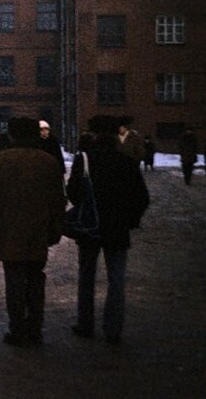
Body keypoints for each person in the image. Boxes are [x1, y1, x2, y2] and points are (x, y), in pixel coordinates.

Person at [0, 117, 66, 347]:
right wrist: (55, 230)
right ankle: (35, 328)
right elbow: (58, 200)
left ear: (12, 136)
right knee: (36, 280)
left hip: (9, 231)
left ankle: (17, 329)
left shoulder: (1, 161)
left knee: (15, 281)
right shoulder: (48, 162)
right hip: (39, 231)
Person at [68, 120, 150, 344]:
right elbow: (142, 198)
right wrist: (129, 220)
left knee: (86, 276)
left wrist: (85, 209)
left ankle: (85, 325)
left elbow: (72, 191)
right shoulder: (127, 162)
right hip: (117, 228)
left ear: (94, 136)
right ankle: (113, 330)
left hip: (89, 227)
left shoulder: (84, 160)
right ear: (116, 136)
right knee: (116, 279)